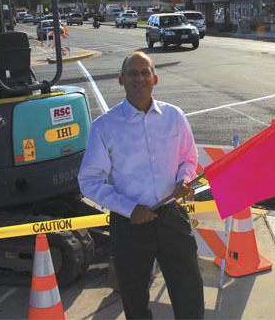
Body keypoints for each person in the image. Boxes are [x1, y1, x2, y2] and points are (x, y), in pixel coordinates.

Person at [78, 51, 204, 319]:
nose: (139, 78)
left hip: (171, 217)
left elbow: (188, 158)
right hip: (130, 225)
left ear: (155, 78)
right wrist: (130, 208)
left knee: (189, 290)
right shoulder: (105, 126)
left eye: (145, 72)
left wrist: (183, 178)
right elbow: (89, 181)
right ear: (121, 79)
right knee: (134, 299)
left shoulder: (174, 116)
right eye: (133, 73)